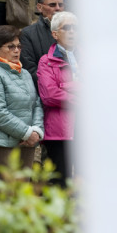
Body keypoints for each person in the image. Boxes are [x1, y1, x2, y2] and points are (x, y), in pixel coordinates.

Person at [0, 25, 44, 173]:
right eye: (11, 46)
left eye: (19, 46)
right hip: (2, 143)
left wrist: (36, 131)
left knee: (23, 191)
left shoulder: (26, 74)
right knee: (6, 193)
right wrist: (26, 133)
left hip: (28, 143)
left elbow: (37, 104)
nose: (16, 50)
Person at [37, 12, 78, 187]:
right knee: (60, 182)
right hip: (59, 132)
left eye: (75, 28)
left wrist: (66, 87)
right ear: (55, 34)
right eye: (67, 28)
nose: (72, 32)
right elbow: (50, 95)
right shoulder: (46, 61)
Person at [20, 0, 65, 87]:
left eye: (61, 4)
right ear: (39, 7)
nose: (58, 8)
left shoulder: (75, 30)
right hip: (46, 92)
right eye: (52, 5)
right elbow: (29, 69)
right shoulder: (27, 34)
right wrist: (57, 86)